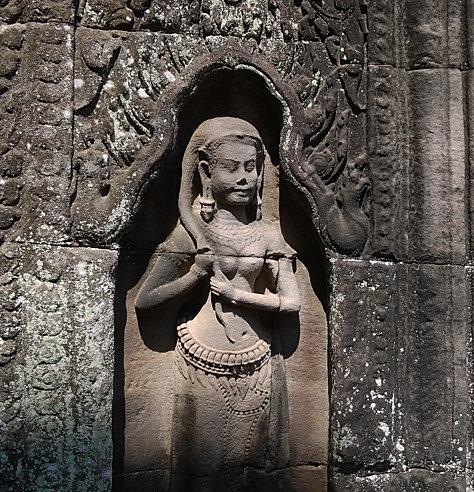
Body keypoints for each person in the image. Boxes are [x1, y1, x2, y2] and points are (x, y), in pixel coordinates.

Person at [135, 117, 300, 490]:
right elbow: (146, 301)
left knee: (259, 475)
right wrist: (195, 273)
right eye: (232, 168)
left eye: (251, 168)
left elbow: (292, 302)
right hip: (202, 362)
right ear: (207, 172)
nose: (244, 178)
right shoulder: (191, 233)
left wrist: (238, 296)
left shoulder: (267, 235)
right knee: (201, 474)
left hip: (259, 360)